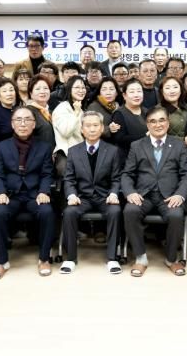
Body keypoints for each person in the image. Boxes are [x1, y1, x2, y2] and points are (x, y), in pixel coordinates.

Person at [122, 107, 187, 277]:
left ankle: (171, 259)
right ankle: (141, 258)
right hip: (143, 195)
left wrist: (180, 194)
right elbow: (127, 174)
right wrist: (130, 192)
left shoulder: (178, 144)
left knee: (176, 215)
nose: (158, 124)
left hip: (169, 196)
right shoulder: (137, 145)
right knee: (130, 211)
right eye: (153, 121)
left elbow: (186, 174)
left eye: (162, 120)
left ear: (168, 123)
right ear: (147, 125)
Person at [0, 107, 55, 279]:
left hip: (34, 194)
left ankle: (44, 258)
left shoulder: (44, 147)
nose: (23, 124)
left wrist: (44, 191)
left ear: (34, 124)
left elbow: (47, 174)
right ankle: (2, 261)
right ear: (12, 124)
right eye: (18, 120)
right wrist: (0, 192)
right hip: (11, 195)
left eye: (27, 120)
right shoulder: (2, 146)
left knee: (47, 211)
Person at [61, 111, 123, 274]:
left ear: (102, 128)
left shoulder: (112, 150)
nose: (92, 129)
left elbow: (116, 178)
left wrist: (113, 193)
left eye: (96, 125)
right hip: (82, 198)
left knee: (115, 211)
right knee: (69, 212)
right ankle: (70, 258)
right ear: (82, 129)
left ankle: (112, 258)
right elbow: (69, 179)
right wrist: (71, 195)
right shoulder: (73, 151)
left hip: (104, 197)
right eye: (88, 126)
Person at [52, 76, 86, 179]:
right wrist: (76, 113)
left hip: (80, 154)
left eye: (83, 87)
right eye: (77, 87)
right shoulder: (62, 108)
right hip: (66, 155)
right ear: (69, 89)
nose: (81, 90)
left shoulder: (79, 109)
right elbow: (66, 131)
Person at [110, 79, 147, 159]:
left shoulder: (147, 111)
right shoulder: (119, 114)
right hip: (128, 158)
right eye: (132, 92)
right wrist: (145, 136)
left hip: (147, 156)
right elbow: (120, 139)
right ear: (124, 95)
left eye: (139, 91)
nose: (136, 95)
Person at [27, 75, 56, 147]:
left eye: (45, 88)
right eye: (38, 89)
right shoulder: (28, 112)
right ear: (31, 93)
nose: (42, 92)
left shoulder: (52, 112)